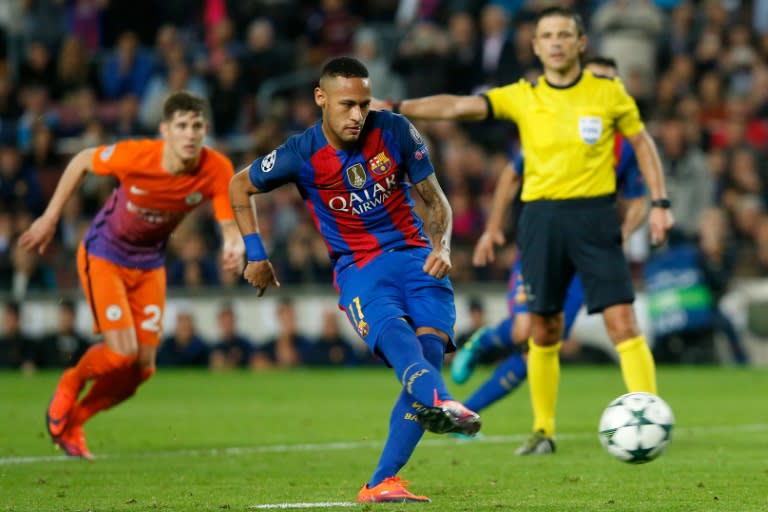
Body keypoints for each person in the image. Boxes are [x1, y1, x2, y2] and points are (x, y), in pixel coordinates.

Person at [378, 7, 674, 455]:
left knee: (622, 321)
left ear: (580, 44)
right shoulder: (523, 94)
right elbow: (461, 106)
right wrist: (399, 107)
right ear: (535, 46)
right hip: (540, 222)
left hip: (594, 219)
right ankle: (542, 430)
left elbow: (643, 144)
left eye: (564, 35)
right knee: (543, 330)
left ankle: (649, 414)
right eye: (546, 35)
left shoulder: (608, 94)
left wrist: (659, 203)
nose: (555, 42)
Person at [228, 56, 480, 503]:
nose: (357, 115)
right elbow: (238, 185)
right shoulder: (299, 154)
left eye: (364, 104)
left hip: (418, 257)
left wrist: (442, 247)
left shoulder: (396, 130)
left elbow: (435, 199)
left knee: (428, 352)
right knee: (400, 338)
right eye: (347, 104)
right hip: (361, 268)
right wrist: (255, 253)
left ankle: (382, 481)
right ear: (320, 99)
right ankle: (442, 401)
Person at [18, 91, 244, 460]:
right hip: (104, 254)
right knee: (122, 353)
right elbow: (81, 161)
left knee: (142, 369)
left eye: (197, 127)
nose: (190, 134)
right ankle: (71, 381)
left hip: (149, 264)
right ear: (165, 131)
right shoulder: (137, 155)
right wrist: (50, 217)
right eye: (182, 126)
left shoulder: (216, 167)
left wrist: (233, 245)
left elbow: (228, 222)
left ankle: (76, 419)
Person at [450, 55, 652, 432]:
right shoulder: (558, 127)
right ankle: (485, 340)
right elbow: (512, 174)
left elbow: (640, 198)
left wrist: (626, 230)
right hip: (544, 242)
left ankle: (465, 414)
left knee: (541, 346)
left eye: (611, 82)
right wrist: (493, 227)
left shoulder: (625, 144)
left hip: (589, 251)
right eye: (596, 79)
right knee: (526, 328)